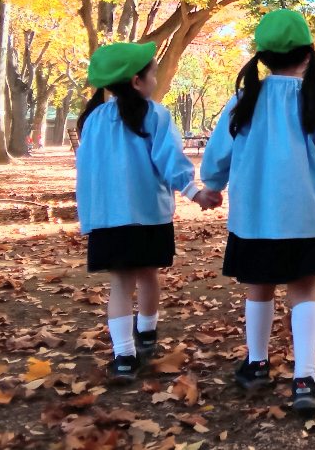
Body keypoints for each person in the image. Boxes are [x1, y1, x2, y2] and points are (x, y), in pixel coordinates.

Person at [200, 10, 315, 413]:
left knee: (259, 288)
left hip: (253, 220)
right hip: (305, 217)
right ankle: (304, 379)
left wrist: (213, 185)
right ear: (308, 54)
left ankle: (256, 364)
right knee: (304, 291)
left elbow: (218, 152)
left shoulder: (244, 101)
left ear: (263, 57)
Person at [75, 42, 220, 384]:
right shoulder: (155, 114)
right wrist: (194, 192)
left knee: (120, 284)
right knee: (148, 275)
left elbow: (87, 171)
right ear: (137, 81)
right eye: (153, 74)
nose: (156, 79)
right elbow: (169, 160)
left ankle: (124, 356)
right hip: (148, 215)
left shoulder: (93, 120)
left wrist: (90, 216)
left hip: (108, 218)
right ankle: (147, 334)